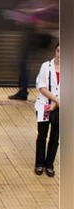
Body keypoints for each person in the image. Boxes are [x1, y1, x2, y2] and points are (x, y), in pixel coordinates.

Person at [4, 0, 59, 100]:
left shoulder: (54, 9)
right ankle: (24, 90)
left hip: (40, 40)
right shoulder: (46, 8)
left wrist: (43, 24)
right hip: (37, 39)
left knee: (24, 62)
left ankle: (24, 91)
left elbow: (52, 24)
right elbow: (34, 18)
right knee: (24, 63)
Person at [34, 42, 60, 177]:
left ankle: (49, 165)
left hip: (60, 109)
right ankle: (39, 164)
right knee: (42, 136)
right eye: (59, 51)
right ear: (55, 51)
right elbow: (42, 87)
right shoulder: (46, 66)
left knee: (55, 138)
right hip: (44, 106)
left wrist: (56, 104)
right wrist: (57, 101)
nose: (60, 54)